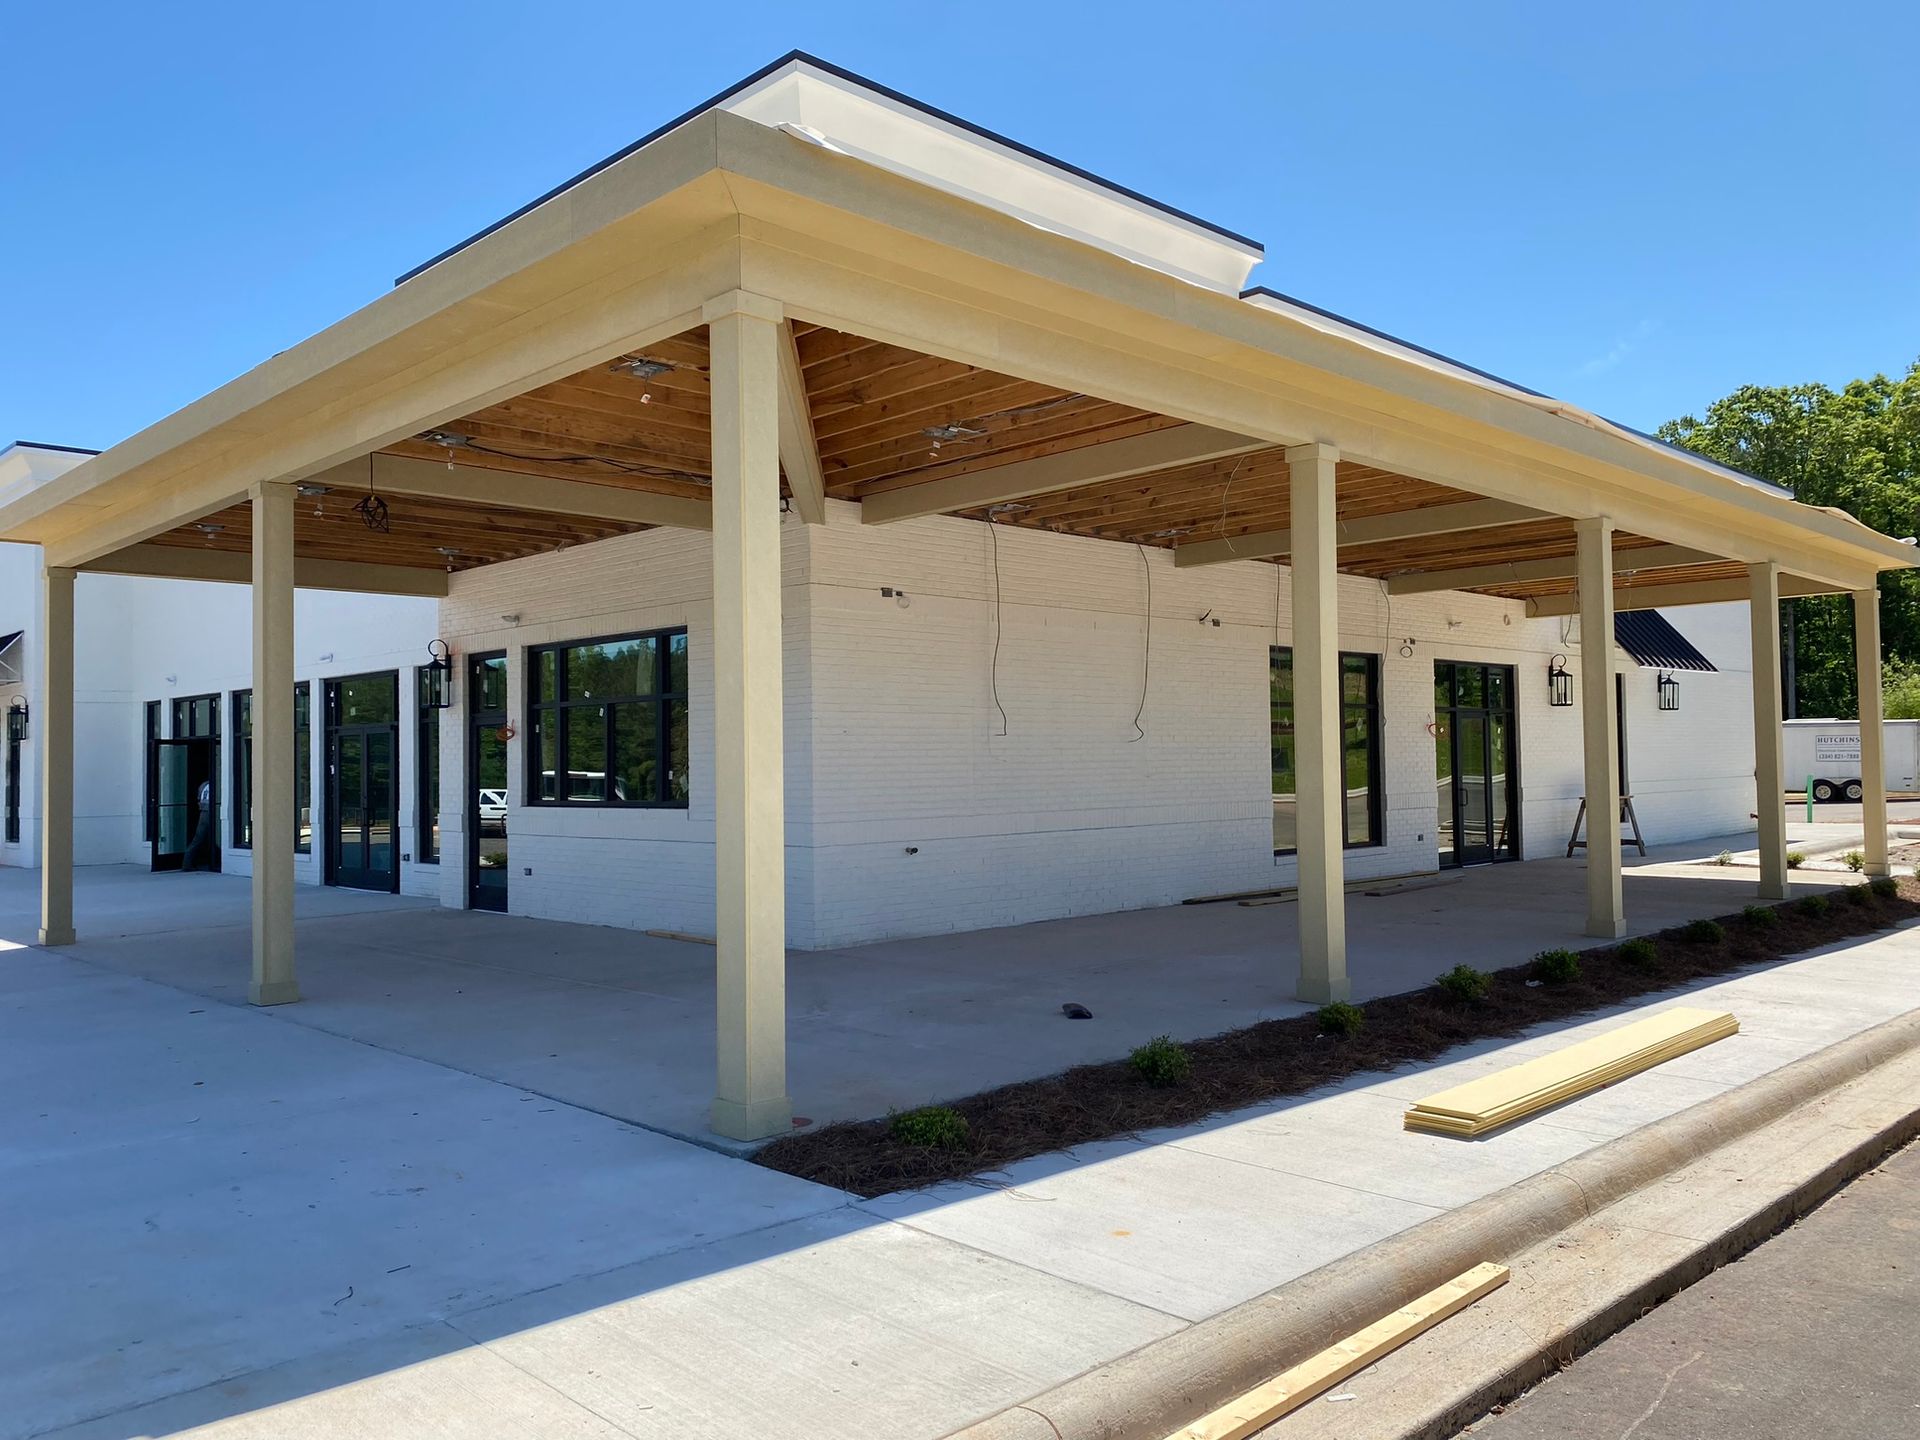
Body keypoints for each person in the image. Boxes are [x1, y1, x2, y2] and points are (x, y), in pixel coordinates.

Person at [182, 777, 215, 872]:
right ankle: (187, 864)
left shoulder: (203, 785)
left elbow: (198, 798)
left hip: (203, 811)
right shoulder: (217, 784)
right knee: (203, 838)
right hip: (210, 811)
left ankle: (188, 862)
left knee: (199, 838)